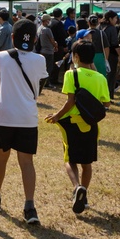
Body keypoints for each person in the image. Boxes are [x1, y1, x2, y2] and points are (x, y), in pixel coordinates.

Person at [0, 19, 49, 224]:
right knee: (27, 162)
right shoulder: (40, 60)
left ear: (12, 38)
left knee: (0, 159)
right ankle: (30, 206)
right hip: (27, 117)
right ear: (36, 39)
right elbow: (39, 86)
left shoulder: (2, 56)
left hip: (4, 115)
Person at [45, 40, 110, 213]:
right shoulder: (101, 78)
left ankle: (76, 187)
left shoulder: (70, 74)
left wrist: (57, 115)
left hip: (71, 123)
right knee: (87, 163)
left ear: (76, 56)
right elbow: (107, 103)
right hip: (91, 125)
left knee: (69, 159)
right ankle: (85, 195)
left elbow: (70, 101)